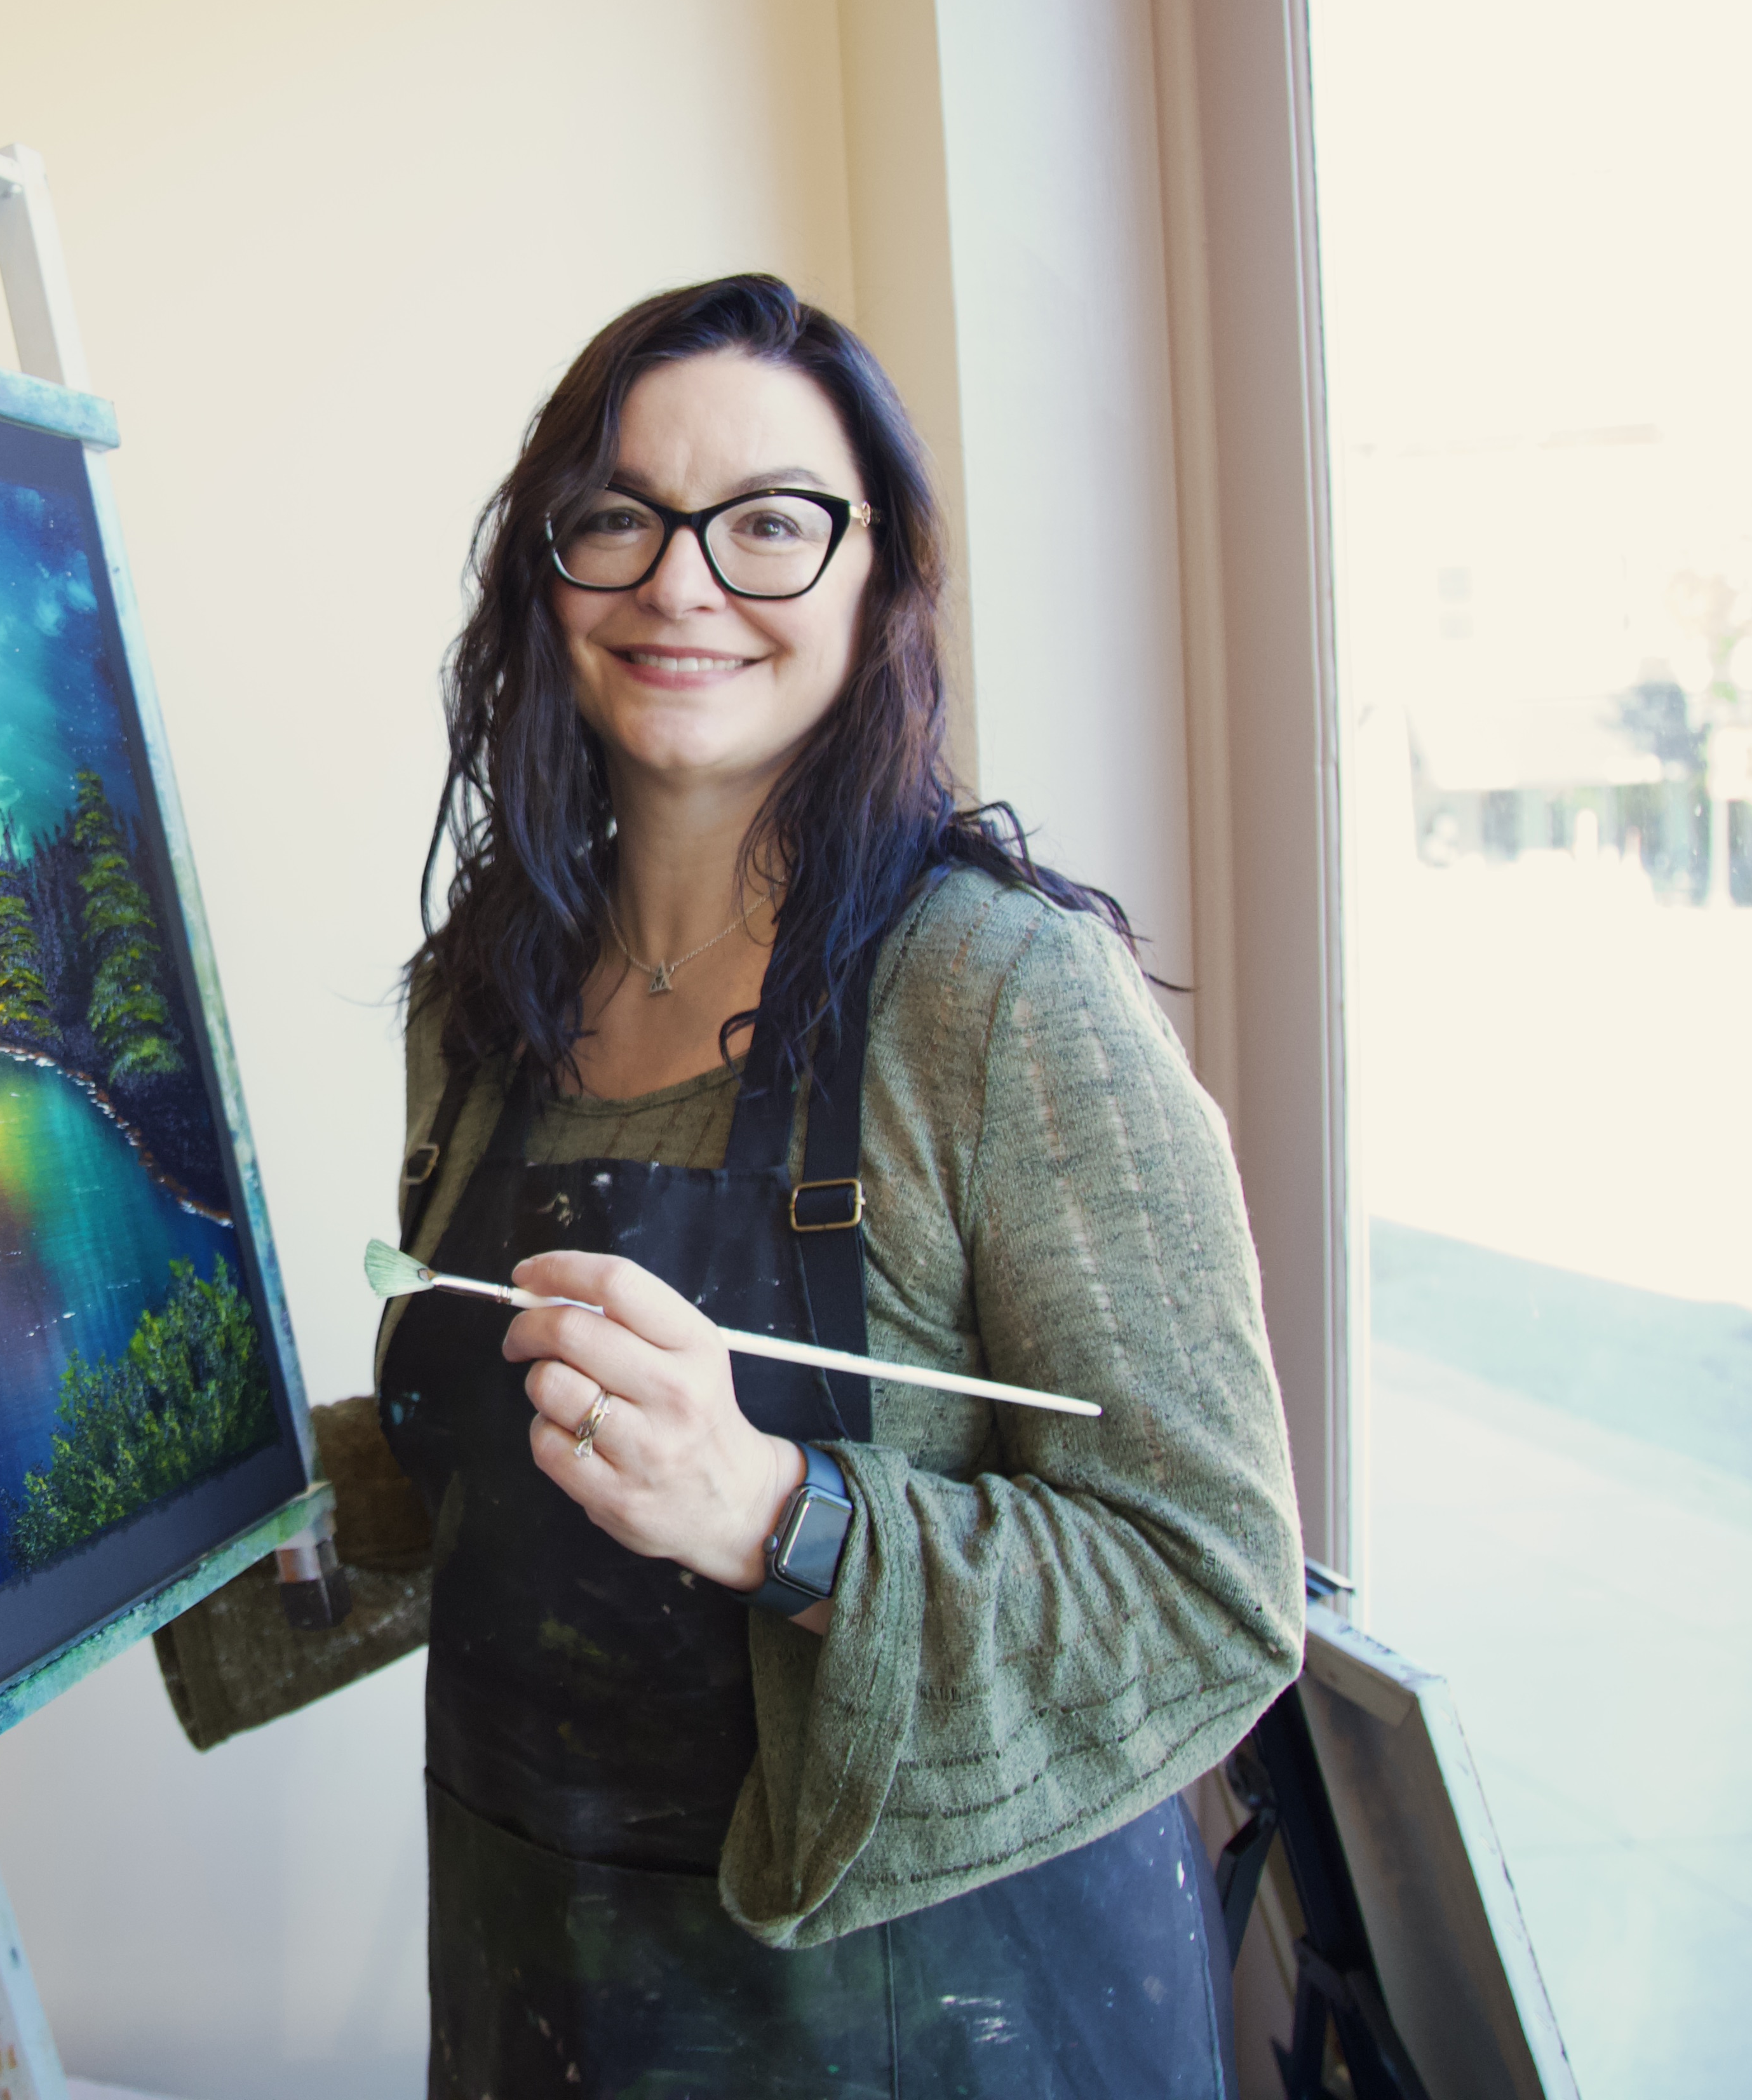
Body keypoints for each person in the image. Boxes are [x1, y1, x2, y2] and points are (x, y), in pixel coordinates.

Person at [156, 273, 1303, 2096]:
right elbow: (503, 1457)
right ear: (548, 568)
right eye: (619, 516)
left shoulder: (999, 1000)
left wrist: (785, 1513)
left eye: (767, 524)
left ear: (879, 576)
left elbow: (1216, 1590)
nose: (682, 582)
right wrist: (158, 1502)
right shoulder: (485, 995)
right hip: (546, 1986)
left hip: (935, 2029)